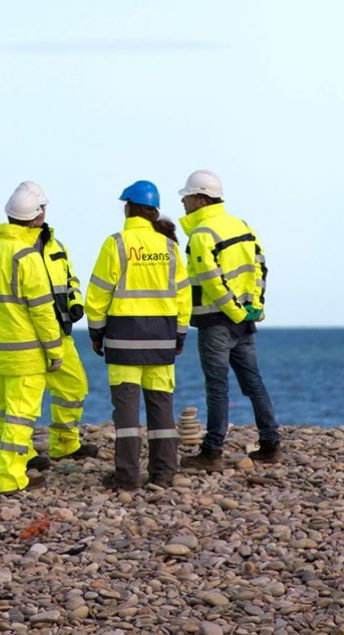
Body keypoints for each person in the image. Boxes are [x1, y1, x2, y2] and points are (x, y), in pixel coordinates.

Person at [86, 180, 191, 490]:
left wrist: (96, 332)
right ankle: (164, 473)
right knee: (161, 409)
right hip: (162, 339)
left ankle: (127, 477)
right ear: (154, 211)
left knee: (127, 414)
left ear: (128, 208)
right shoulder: (170, 247)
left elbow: (98, 294)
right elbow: (183, 296)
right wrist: (180, 335)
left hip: (123, 339)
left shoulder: (116, 243)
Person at [177, 170, 280, 471]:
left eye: (186, 198)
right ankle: (271, 444)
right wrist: (254, 307)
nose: (183, 204)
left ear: (199, 198)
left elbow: (211, 280)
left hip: (216, 322)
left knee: (217, 386)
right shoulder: (241, 225)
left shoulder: (201, 235)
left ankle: (211, 452)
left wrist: (233, 311)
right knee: (253, 381)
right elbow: (260, 266)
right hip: (245, 320)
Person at [0, 181, 64, 494]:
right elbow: (43, 312)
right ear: (38, 216)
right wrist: (55, 349)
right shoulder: (27, 257)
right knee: (20, 418)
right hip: (25, 355)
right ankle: (11, 479)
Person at [26, 183, 99, 469]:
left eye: (43, 207)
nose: (41, 213)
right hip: (28, 335)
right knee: (25, 398)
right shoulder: (16, 248)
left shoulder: (56, 246)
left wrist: (75, 302)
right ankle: (20, 451)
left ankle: (65, 444)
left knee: (74, 387)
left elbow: (71, 279)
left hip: (59, 331)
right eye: (37, 208)